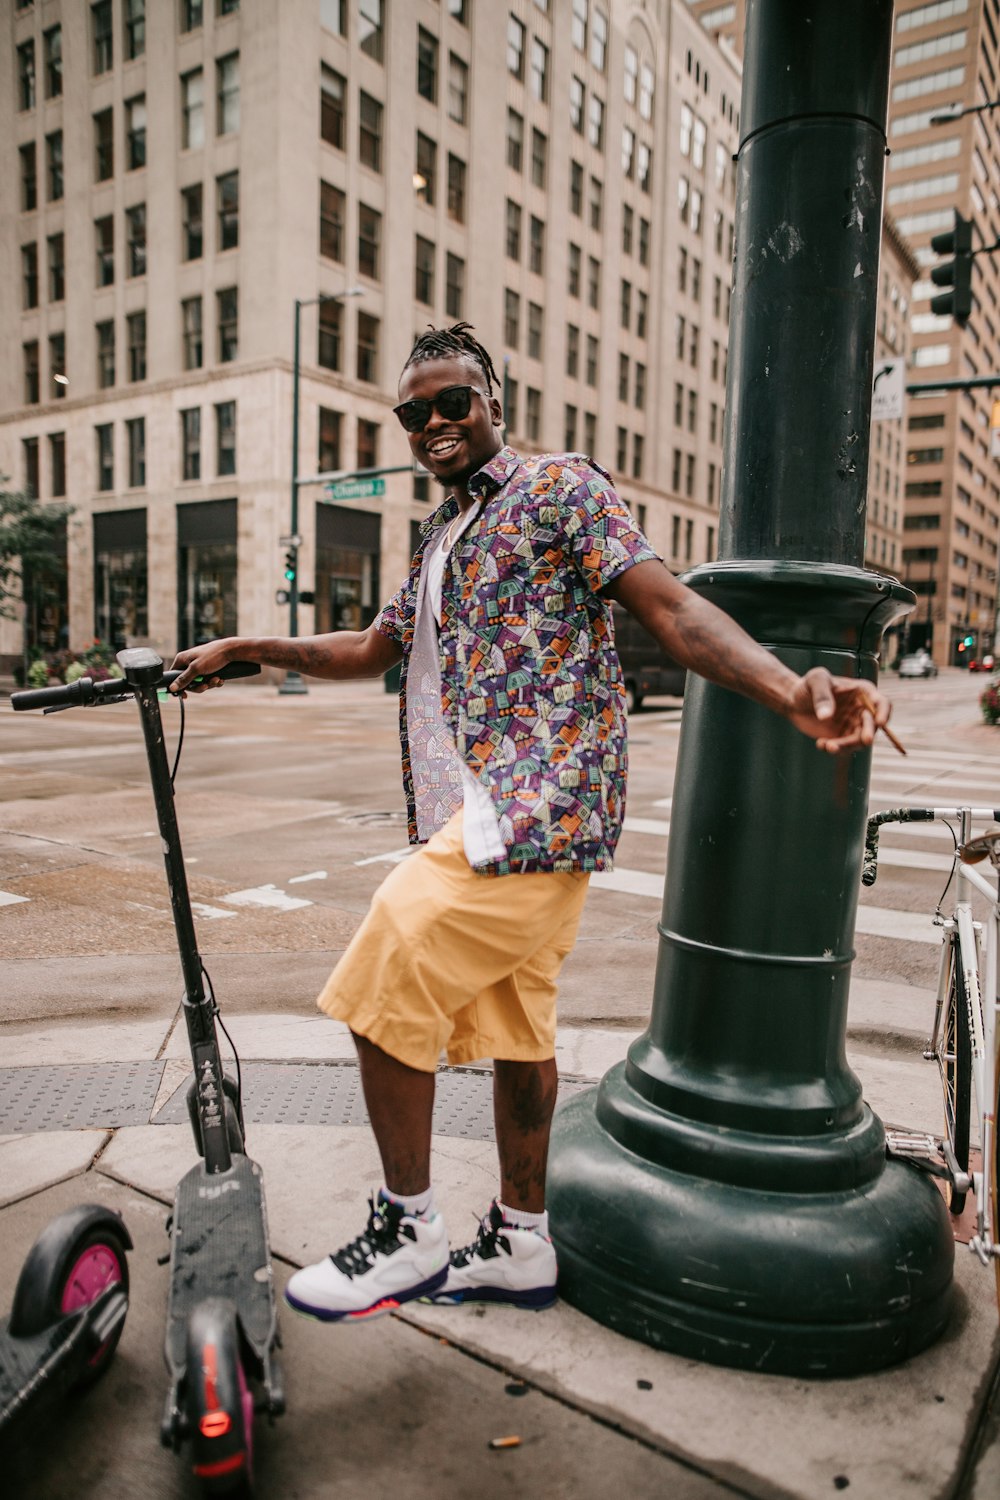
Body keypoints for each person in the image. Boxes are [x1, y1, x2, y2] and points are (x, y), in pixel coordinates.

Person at [170, 322, 894, 1324]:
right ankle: (519, 1241)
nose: (432, 424)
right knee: (520, 1029)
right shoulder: (435, 536)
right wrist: (243, 646)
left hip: (539, 805)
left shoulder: (562, 488)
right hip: (479, 802)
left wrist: (783, 691)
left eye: (452, 402)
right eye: (413, 412)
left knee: (387, 961)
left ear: (494, 404)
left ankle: (406, 1226)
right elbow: (370, 649)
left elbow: (673, 609)